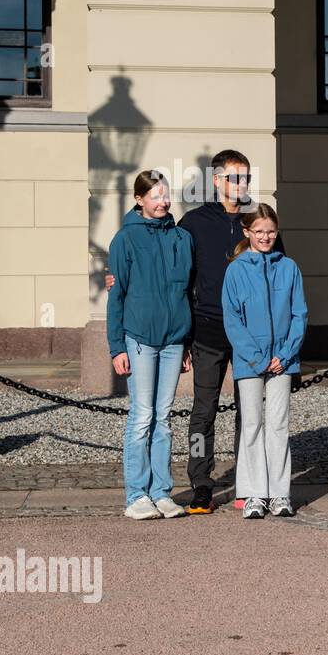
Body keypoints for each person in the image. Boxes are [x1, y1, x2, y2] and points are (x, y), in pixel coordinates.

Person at [178, 149, 286, 513]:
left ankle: (248, 482)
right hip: (207, 331)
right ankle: (201, 483)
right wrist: (120, 276)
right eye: (234, 178)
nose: (241, 185)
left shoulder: (258, 219)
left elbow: (280, 275)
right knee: (203, 411)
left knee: (249, 411)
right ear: (216, 181)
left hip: (252, 338)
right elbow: (175, 273)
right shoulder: (193, 223)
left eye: (246, 178)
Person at [106, 171, 194, 520]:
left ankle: (161, 493)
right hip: (139, 339)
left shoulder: (182, 238)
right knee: (141, 417)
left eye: (166, 194)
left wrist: (186, 342)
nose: (163, 201)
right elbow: (117, 296)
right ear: (139, 199)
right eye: (155, 195)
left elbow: (187, 290)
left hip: (174, 340)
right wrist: (117, 347)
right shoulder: (125, 239)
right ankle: (136, 496)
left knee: (164, 418)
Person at [221, 203, 307, 520]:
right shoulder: (236, 270)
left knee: (279, 425)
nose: (266, 237)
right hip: (249, 362)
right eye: (259, 231)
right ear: (247, 232)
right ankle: (255, 493)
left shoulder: (290, 268)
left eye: (271, 231)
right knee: (253, 426)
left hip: (283, 361)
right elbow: (232, 320)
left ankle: (280, 493)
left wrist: (284, 355)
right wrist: (256, 357)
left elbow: (299, 315)